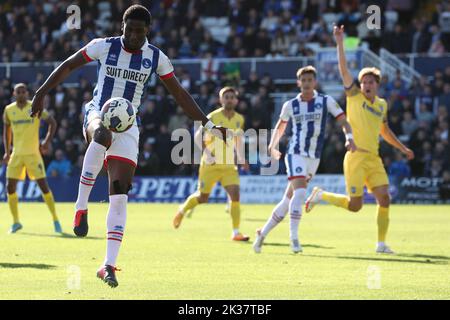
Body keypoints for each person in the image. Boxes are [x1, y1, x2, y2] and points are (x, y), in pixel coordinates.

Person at [30, 5, 226, 288]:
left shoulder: (156, 58)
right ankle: (81, 206)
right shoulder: (102, 46)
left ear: (148, 31)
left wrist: (207, 124)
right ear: (121, 26)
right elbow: (69, 65)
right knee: (101, 135)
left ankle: (108, 265)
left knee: (119, 194)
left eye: (139, 31)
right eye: (129, 29)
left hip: (129, 125)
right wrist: (41, 94)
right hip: (97, 111)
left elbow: (180, 94)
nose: (134, 35)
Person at [305, 26, 415, 254]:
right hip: (355, 156)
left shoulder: (382, 105)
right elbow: (344, 70)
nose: (366, 85)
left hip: (373, 158)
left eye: (370, 82)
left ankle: (381, 244)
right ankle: (321, 195)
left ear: (377, 85)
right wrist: (340, 43)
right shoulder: (353, 96)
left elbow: (385, 131)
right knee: (355, 206)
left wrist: (403, 148)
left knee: (384, 199)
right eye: (364, 82)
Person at [252, 66, 356, 253]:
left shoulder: (326, 101)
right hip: (295, 153)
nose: (307, 83)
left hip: (314, 157)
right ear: (298, 83)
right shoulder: (290, 105)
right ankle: (294, 239)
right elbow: (281, 126)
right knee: (300, 194)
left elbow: (343, 121)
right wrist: (272, 146)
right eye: (304, 80)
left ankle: (262, 233)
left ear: (314, 82)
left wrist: (349, 138)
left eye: (310, 80)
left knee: (287, 200)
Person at [173, 86, 250, 241]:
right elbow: (197, 136)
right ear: (221, 100)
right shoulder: (212, 117)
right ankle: (182, 210)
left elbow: (237, 140)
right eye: (226, 97)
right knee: (203, 198)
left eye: (231, 97)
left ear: (236, 100)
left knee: (235, 195)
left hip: (229, 166)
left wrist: (242, 158)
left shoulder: (239, 119)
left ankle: (236, 232)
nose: (229, 99)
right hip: (210, 165)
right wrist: (207, 153)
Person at [2, 83, 61, 234]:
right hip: (16, 154)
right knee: (10, 187)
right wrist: (7, 152)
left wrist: (47, 141)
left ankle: (55, 220)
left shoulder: (34, 107)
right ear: (14, 94)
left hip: (33, 154)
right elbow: (7, 132)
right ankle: (16, 222)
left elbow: (52, 122)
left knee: (43, 186)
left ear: (27, 93)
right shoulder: (9, 110)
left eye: (23, 91)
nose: (21, 94)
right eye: (18, 92)